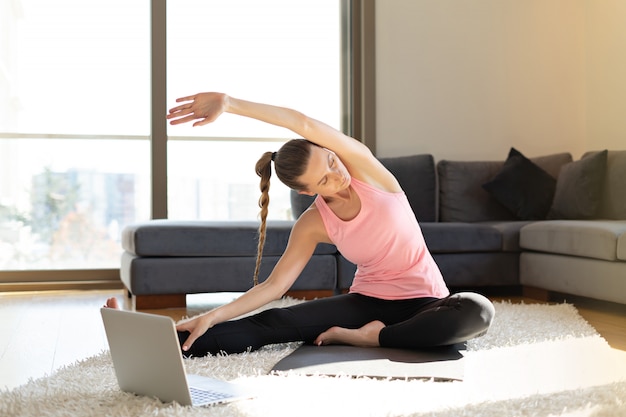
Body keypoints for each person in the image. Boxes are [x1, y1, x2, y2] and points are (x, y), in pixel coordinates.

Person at [107, 92, 495, 357]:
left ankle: (371, 338)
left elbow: (303, 123)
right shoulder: (313, 223)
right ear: (309, 193)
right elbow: (275, 287)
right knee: (273, 324)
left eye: (330, 162)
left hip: (426, 300)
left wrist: (229, 103)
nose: (336, 175)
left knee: (476, 311)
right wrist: (212, 315)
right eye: (323, 180)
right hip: (367, 300)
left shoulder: (367, 171)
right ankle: (149, 343)